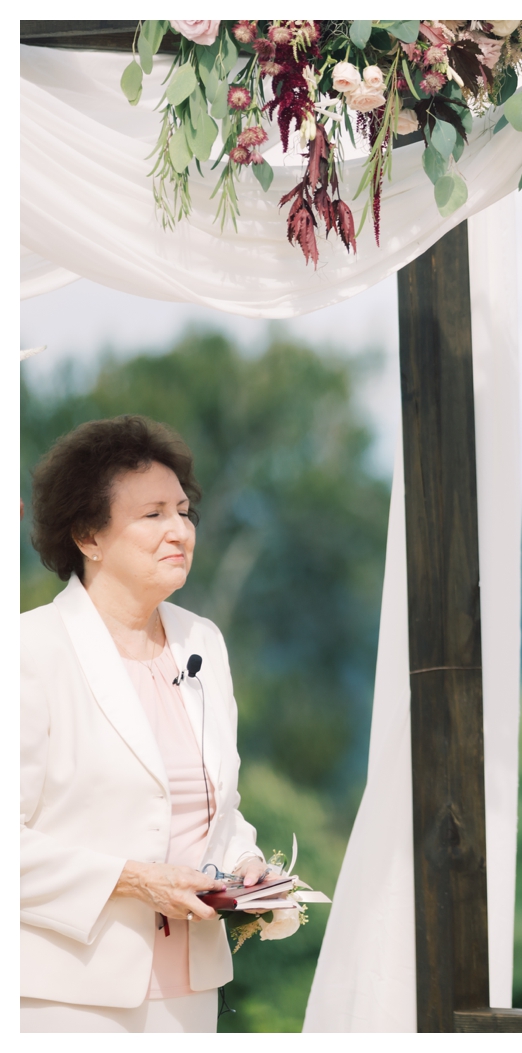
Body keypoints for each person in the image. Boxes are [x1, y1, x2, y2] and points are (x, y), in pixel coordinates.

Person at [21, 416, 269, 1033]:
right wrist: (132, 881)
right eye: (153, 514)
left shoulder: (202, 642)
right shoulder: (28, 651)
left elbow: (216, 808)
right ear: (88, 536)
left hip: (189, 993)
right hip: (66, 996)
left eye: (184, 512)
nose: (180, 531)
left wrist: (247, 863)